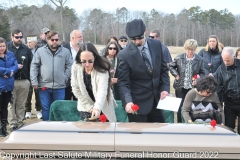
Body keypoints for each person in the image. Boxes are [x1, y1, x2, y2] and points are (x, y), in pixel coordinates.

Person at [117, 19, 170, 123]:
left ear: (145, 31)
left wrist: (165, 88)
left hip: (157, 103)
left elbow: (163, 70)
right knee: (139, 138)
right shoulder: (124, 55)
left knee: (159, 135)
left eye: (139, 38)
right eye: (133, 39)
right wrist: (128, 101)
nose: (137, 41)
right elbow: (123, 82)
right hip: (137, 105)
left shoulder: (157, 45)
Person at [30, 31, 72, 121]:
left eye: (56, 39)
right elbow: (34, 66)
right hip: (44, 86)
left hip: (60, 86)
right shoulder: (40, 51)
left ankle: (57, 129)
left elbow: (70, 65)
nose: (54, 41)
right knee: (46, 108)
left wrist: (65, 77)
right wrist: (34, 81)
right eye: (52, 40)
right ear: (48, 40)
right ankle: (46, 128)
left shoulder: (65, 51)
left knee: (58, 109)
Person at [71, 42, 116, 122]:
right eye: (83, 61)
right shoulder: (75, 67)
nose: (87, 64)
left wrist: (97, 107)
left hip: (103, 106)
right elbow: (76, 89)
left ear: (95, 57)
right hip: (84, 105)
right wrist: (89, 107)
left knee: (105, 132)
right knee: (88, 132)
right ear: (79, 58)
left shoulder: (102, 70)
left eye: (90, 61)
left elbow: (102, 91)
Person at [169, 39, 205, 123]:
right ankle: (180, 124)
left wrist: (198, 80)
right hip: (180, 87)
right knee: (180, 107)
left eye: (192, 49)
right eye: (188, 49)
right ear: (185, 49)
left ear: (195, 49)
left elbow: (203, 73)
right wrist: (176, 74)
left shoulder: (200, 60)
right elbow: (171, 66)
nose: (190, 51)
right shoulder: (179, 57)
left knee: (191, 107)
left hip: (192, 88)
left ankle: (191, 124)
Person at [8, 29, 32, 131]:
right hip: (10, 80)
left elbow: (32, 64)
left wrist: (30, 80)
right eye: (17, 37)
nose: (19, 39)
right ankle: (12, 124)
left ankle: (20, 122)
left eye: (21, 37)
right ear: (12, 37)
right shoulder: (7, 48)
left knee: (21, 104)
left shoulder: (26, 49)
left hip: (24, 80)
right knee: (11, 104)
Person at [216, 47, 240, 134]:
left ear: (234, 56)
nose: (226, 62)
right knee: (229, 128)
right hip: (229, 103)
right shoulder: (220, 69)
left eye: (228, 60)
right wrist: (219, 104)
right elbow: (219, 88)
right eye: (224, 60)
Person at [0, 37, 18, 137]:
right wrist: (6, 71)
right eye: (0, 46)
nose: (2, 48)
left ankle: (4, 128)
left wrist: (12, 71)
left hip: (8, 86)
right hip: (0, 85)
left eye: (3, 46)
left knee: (5, 108)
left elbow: (16, 65)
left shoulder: (10, 54)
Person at [63, 29, 83, 101]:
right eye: (79, 37)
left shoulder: (84, 48)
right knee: (66, 102)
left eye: (82, 36)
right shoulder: (63, 48)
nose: (81, 38)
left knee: (78, 102)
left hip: (80, 80)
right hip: (67, 80)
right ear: (72, 38)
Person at [25, 36, 42, 119]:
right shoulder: (25, 50)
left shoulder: (40, 50)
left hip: (38, 76)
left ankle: (39, 110)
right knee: (28, 94)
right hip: (28, 75)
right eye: (27, 42)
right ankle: (28, 111)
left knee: (38, 94)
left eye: (30, 42)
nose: (28, 44)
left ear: (35, 43)